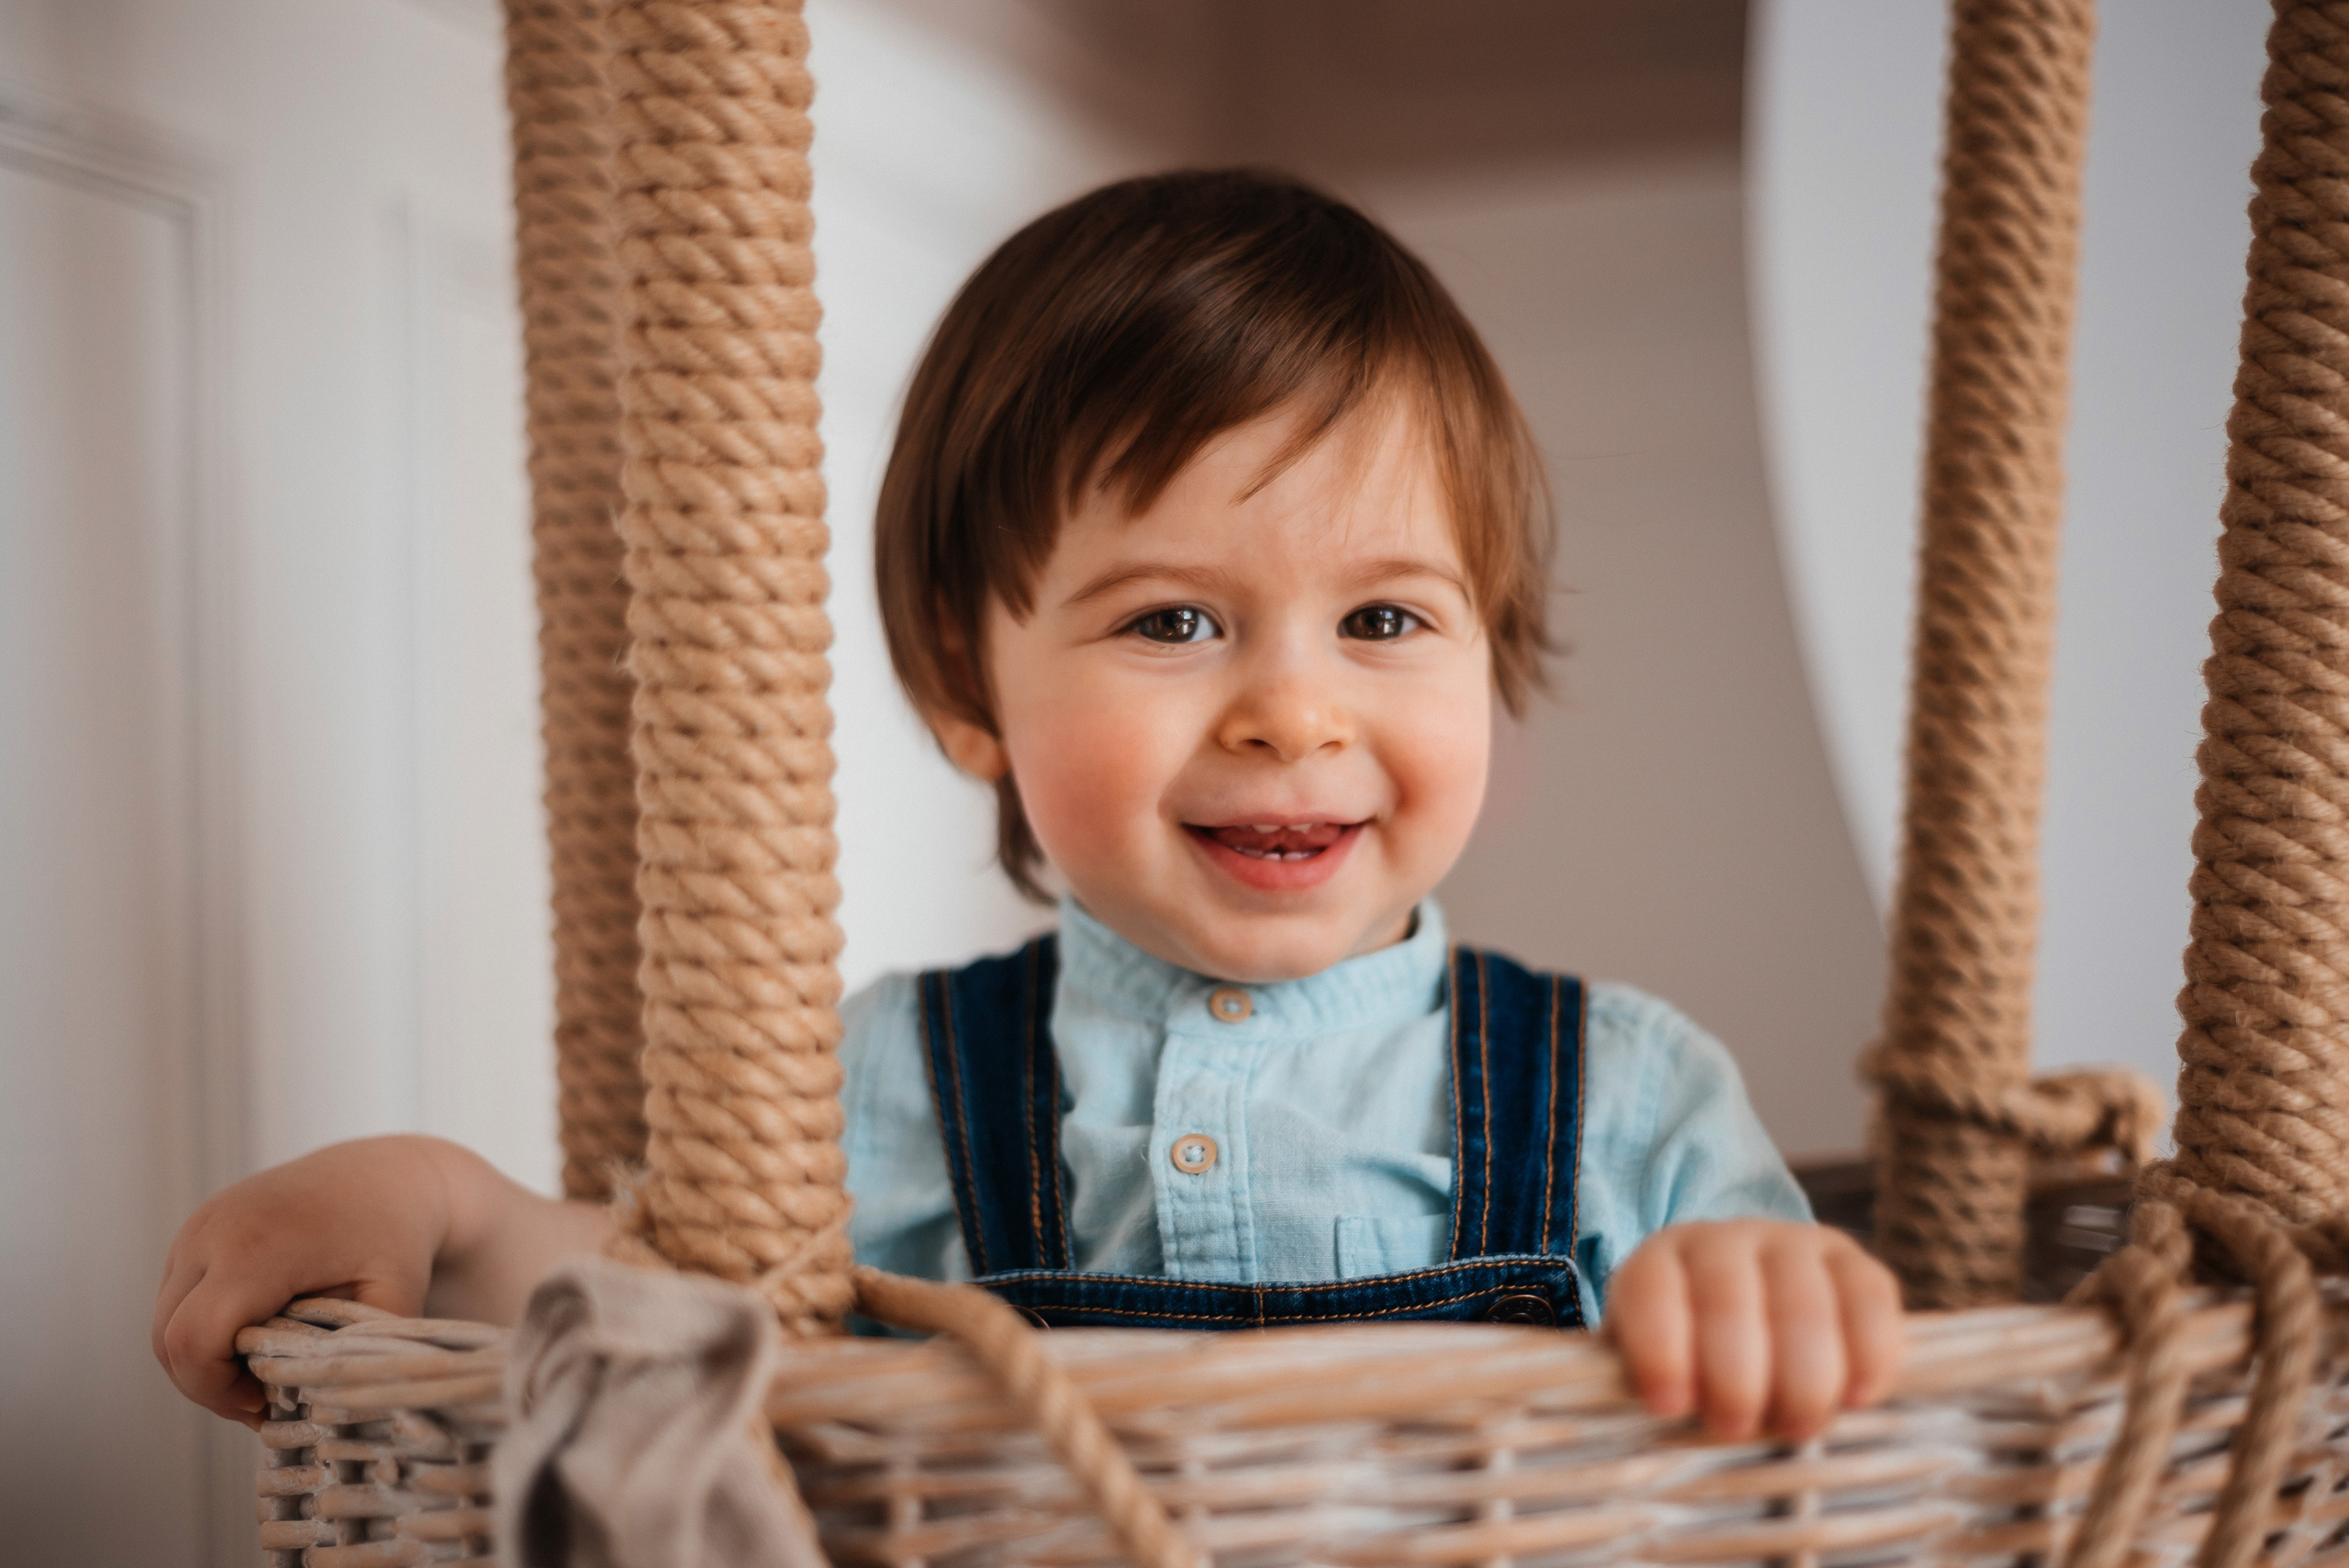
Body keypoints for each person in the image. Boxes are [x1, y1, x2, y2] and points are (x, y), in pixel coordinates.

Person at [155, 169, 1902, 1446]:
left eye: (1384, 620)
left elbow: (1807, 1402)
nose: (1295, 708)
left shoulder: (1628, 1089)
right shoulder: (889, 1079)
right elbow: (655, 1300)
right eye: (1172, 620)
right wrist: (448, 1209)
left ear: (1490, 659)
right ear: (959, 682)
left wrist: (1774, 1292)